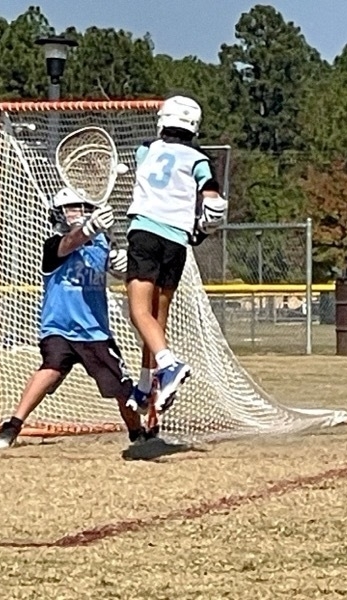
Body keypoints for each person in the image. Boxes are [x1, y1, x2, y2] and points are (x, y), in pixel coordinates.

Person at [0, 187, 152, 449]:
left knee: (122, 389)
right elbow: (70, 243)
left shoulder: (101, 245)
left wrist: (121, 265)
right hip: (59, 327)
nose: (76, 212)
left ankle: (137, 433)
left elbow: (114, 268)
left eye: (82, 206)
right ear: (59, 214)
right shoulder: (54, 244)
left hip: (94, 332)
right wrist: (90, 228)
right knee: (51, 368)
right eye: (70, 208)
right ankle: (13, 425)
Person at [125, 95, 228, 415]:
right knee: (156, 320)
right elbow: (215, 205)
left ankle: (168, 366)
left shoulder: (147, 150)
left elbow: (145, 162)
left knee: (139, 314)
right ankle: (145, 386)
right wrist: (202, 228)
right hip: (177, 242)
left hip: (146, 232)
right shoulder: (199, 160)